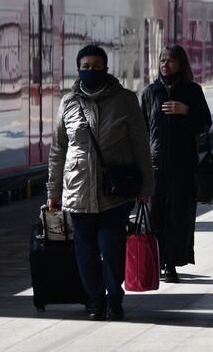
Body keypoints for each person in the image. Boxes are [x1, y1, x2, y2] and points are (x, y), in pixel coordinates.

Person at [46, 44, 153, 321]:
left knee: (111, 247)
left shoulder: (126, 100)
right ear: (78, 69)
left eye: (96, 66)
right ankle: (94, 301)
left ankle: (114, 296)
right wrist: (52, 192)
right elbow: (58, 149)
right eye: (85, 67)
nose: (90, 71)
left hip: (114, 191)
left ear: (106, 68)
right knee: (85, 251)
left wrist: (145, 188)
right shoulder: (68, 102)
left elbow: (141, 146)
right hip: (78, 189)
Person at [141, 44, 212, 283]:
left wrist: (186, 111)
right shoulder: (150, 93)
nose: (165, 64)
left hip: (184, 165)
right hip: (156, 165)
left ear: (181, 63)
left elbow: (204, 124)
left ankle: (171, 263)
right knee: (155, 213)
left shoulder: (192, 91)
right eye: (162, 60)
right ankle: (155, 261)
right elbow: (141, 130)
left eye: (170, 60)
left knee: (179, 215)